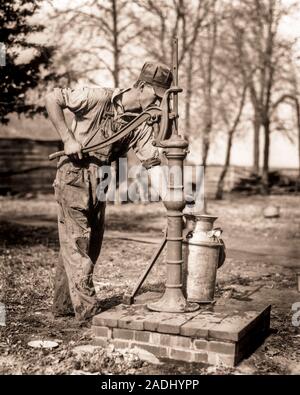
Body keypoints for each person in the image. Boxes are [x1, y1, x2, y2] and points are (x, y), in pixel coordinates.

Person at [45, 62, 173, 322]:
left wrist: (172, 205)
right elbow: (52, 97)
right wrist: (68, 138)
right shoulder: (98, 97)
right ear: (141, 86)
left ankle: (63, 307)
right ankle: (89, 315)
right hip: (73, 175)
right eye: (157, 97)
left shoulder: (140, 125)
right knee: (78, 244)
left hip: (101, 179)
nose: (159, 104)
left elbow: (153, 164)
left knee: (87, 245)